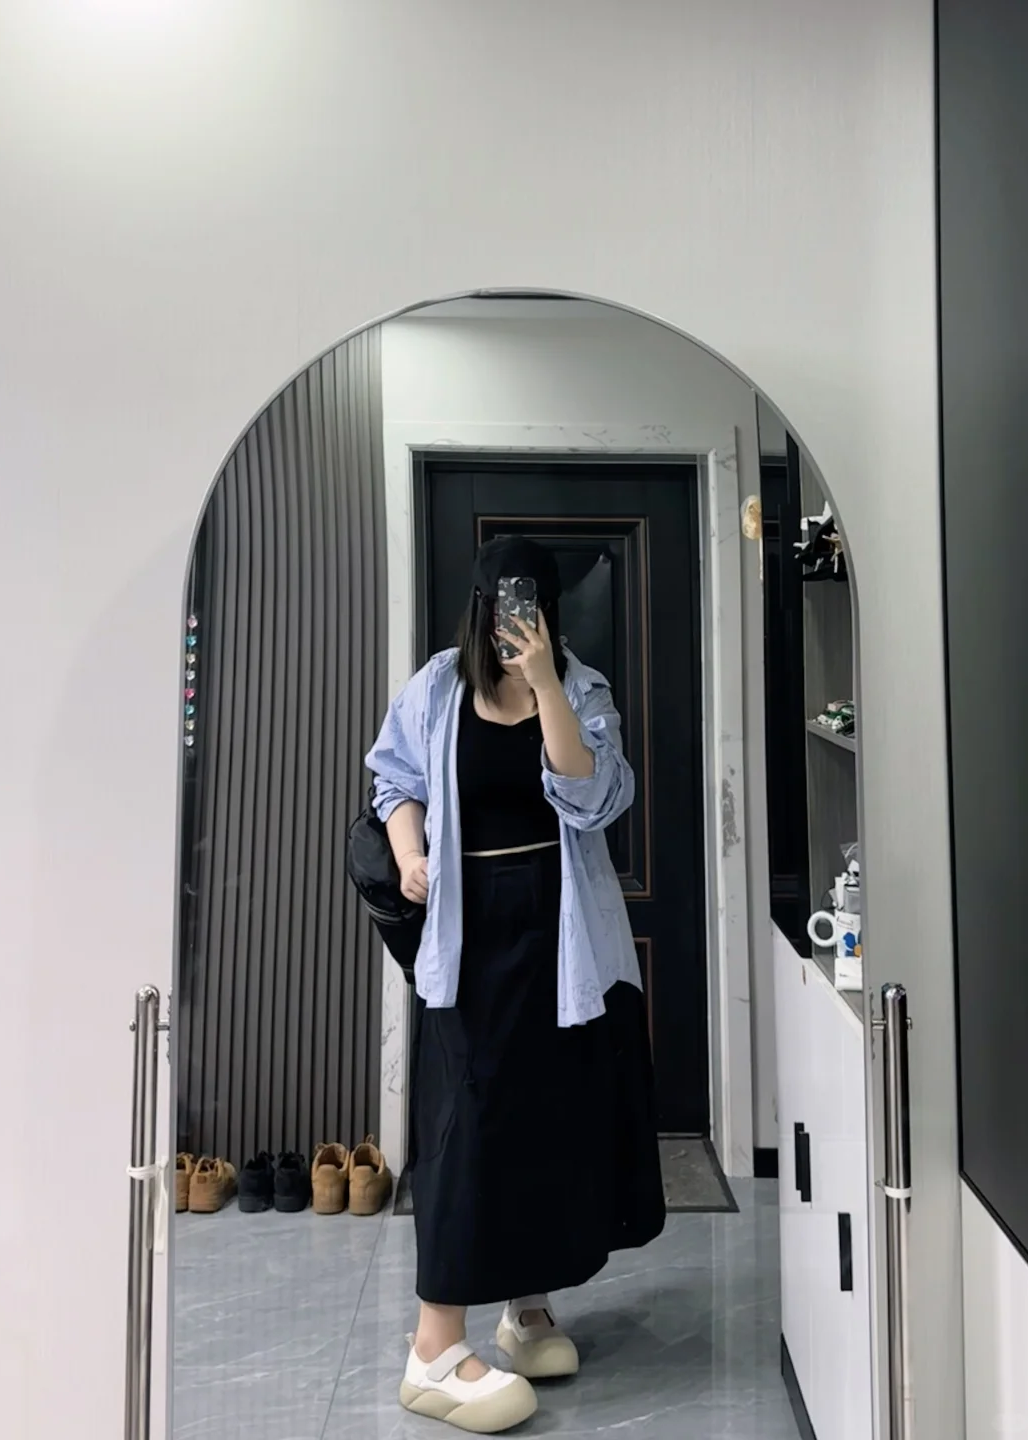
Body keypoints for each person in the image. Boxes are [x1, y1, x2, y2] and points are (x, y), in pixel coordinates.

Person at [366, 536, 665, 1433]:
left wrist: (545, 688)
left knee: (547, 1117)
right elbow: (394, 779)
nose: (514, 620)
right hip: (468, 933)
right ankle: (433, 1349)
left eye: (530, 605)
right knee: (467, 1124)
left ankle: (525, 1305)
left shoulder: (581, 687)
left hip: (561, 935)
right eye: (502, 603)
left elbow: (595, 798)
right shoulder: (436, 687)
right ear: (480, 605)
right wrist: (409, 855)